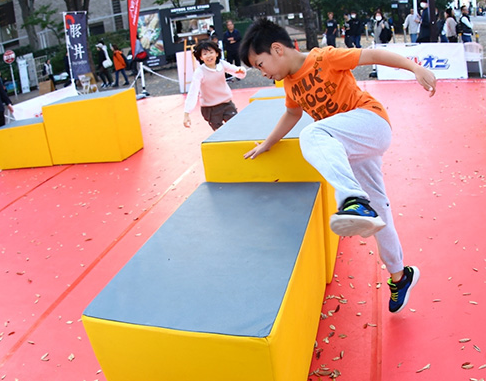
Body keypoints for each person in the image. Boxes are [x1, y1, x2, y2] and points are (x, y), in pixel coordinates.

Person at [238, 18, 437, 314]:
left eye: (260, 64)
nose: (262, 72)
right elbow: (291, 115)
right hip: (350, 144)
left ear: (277, 49)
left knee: (314, 133)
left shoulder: (324, 57)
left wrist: (415, 68)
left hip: (370, 121)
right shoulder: (291, 85)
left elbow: (372, 55)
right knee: (380, 211)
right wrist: (267, 143)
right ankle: (400, 275)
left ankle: (352, 200)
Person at [183, 41, 247, 131]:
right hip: (210, 108)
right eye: (205, 54)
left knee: (235, 127)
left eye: (211, 52)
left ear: (217, 53)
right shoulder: (200, 72)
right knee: (220, 132)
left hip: (226, 103)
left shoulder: (222, 64)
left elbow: (237, 71)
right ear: (200, 57)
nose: (209, 56)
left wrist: (241, 71)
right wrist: (187, 113)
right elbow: (193, 92)